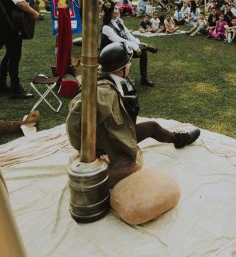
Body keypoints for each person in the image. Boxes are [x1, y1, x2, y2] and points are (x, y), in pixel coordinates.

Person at [66, 42, 200, 188]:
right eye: (128, 63)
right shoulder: (103, 92)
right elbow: (74, 119)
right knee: (153, 127)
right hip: (108, 142)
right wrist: (87, 151)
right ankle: (179, 139)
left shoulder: (109, 78)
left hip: (114, 132)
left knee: (152, 127)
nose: (130, 66)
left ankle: (179, 139)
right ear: (120, 69)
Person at [101, 0, 157, 87]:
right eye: (115, 9)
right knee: (130, 52)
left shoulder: (119, 20)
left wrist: (138, 43)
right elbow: (119, 40)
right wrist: (135, 46)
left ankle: (144, 79)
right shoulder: (106, 27)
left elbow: (127, 34)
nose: (118, 9)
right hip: (111, 54)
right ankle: (124, 78)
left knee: (142, 52)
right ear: (110, 13)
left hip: (121, 48)